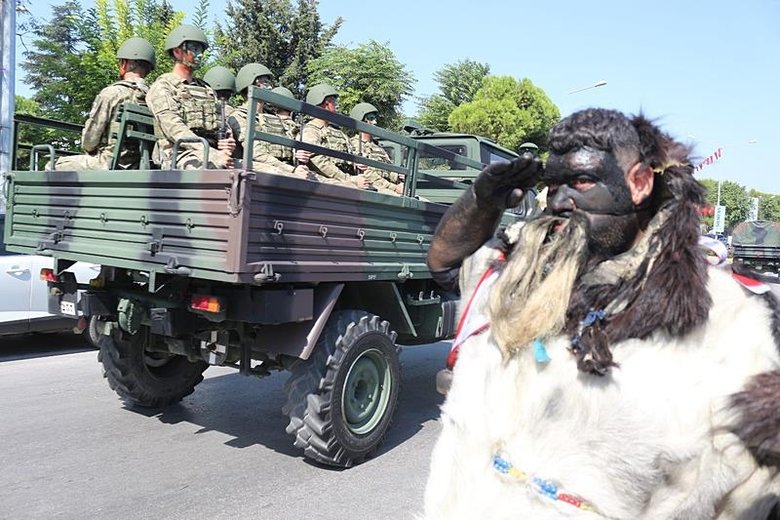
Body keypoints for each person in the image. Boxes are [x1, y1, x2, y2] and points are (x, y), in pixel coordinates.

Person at [423, 108, 780, 519]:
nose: (560, 202)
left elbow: (752, 491)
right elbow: (446, 263)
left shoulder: (727, 319)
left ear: (639, 183)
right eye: (553, 186)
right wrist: (481, 201)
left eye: (581, 182)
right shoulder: (521, 275)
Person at [53, 37, 155, 171]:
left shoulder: (111, 93)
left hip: (110, 163)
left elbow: (89, 142)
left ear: (124, 63)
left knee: (54, 165)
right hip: (140, 165)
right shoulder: (153, 97)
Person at [146, 24, 235, 169]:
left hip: (209, 154)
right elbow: (175, 129)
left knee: (252, 171)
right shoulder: (163, 87)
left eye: (201, 50)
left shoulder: (206, 89)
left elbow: (222, 123)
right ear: (177, 51)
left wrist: (227, 143)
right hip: (177, 155)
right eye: (194, 49)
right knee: (216, 171)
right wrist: (212, 154)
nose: (199, 54)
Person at [227, 63, 311, 179]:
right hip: (258, 167)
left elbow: (287, 144)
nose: (270, 88)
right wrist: (291, 170)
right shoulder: (239, 116)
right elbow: (258, 154)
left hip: (282, 167)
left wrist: (298, 156)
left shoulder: (272, 117)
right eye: (265, 82)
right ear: (254, 83)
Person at [300, 83, 368, 189]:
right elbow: (319, 161)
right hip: (325, 179)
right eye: (333, 101)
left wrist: (358, 163)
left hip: (344, 177)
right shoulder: (311, 130)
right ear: (326, 103)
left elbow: (352, 153)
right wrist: (348, 179)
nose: (336, 105)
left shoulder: (338, 132)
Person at [348, 102, 404, 196]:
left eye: (374, 118)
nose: (375, 122)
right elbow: (368, 174)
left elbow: (388, 168)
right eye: (371, 119)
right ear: (362, 121)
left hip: (385, 187)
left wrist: (398, 176)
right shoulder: (355, 145)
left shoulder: (378, 147)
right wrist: (394, 188)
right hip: (373, 187)